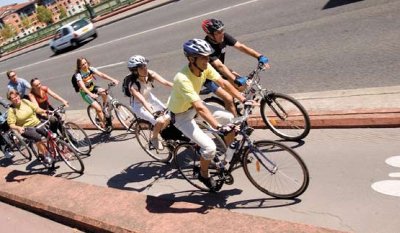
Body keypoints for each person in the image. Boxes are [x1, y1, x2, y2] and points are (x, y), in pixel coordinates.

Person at [167, 39, 249, 190]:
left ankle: (228, 152)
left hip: (194, 107)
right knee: (210, 148)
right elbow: (199, 107)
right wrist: (217, 126)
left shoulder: (205, 67)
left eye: (208, 56)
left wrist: (243, 99)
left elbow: (223, 83)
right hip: (181, 115)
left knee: (230, 118)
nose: (207, 60)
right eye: (203, 57)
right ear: (192, 59)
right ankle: (203, 174)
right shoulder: (182, 78)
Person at [200, 19, 270, 115]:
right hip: (209, 77)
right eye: (218, 32)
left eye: (222, 30)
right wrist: (234, 79)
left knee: (243, 85)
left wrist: (259, 56)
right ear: (210, 35)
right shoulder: (207, 47)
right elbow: (219, 66)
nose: (222, 33)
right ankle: (234, 125)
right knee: (228, 99)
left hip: (221, 71)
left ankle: (236, 99)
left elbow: (241, 46)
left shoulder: (223, 37)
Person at [126, 55, 173, 150]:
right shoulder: (133, 85)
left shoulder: (150, 74)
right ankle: (154, 138)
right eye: (141, 67)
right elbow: (143, 101)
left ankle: (165, 133)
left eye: (145, 65)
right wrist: (154, 114)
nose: (145, 68)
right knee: (160, 121)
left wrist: (183, 88)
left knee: (170, 114)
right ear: (135, 71)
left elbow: (166, 83)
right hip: (139, 105)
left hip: (150, 98)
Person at [7, 90, 52, 164]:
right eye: (13, 98)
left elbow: (36, 109)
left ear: (19, 95)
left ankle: (53, 149)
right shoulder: (11, 110)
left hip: (37, 123)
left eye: (16, 96)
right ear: (10, 100)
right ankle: (46, 155)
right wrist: (18, 128)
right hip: (26, 128)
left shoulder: (24, 101)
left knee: (49, 134)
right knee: (37, 137)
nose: (16, 98)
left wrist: (45, 111)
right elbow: (11, 124)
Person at [74, 57, 119, 131]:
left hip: (92, 87)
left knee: (104, 93)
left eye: (85, 63)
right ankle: (104, 125)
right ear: (79, 66)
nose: (85, 65)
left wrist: (112, 79)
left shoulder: (90, 69)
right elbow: (82, 86)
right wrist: (90, 94)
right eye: (82, 64)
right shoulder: (78, 75)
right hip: (85, 93)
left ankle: (104, 107)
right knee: (98, 109)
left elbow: (101, 74)